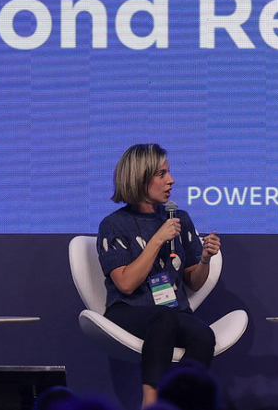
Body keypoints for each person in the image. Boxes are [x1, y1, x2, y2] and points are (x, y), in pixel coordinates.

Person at [97, 143, 222, 408]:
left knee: (203, 334)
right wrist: (157, 239)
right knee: (163, 318)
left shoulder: (179, 219)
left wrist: (204, 259)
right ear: (140, 179)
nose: (171, 180)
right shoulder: (114, 225)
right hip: (128, 311)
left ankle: (179, 400)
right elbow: (126, 284)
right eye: (162, 174)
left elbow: (193, 282)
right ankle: (151, 403)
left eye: (169, 172)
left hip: (172, 311)